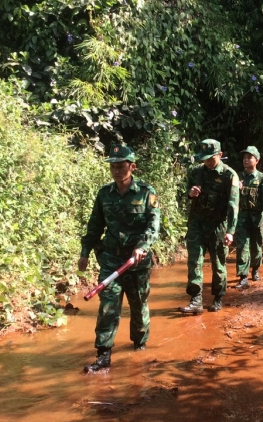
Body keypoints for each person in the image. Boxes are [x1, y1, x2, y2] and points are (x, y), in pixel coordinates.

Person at [79, 144, 161, 373]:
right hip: (112, 261)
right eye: (113, 167)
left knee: (138, 305)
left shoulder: (146, 192)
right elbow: (94, 226)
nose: (116, 171)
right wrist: (85, 252)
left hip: (137, 263)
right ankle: (103, 356)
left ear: (131, 167)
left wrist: (142, 246)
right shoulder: (104, 193)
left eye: (120, 166)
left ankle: (139, 346)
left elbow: (153, 224)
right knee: (107, 306)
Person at [179, 139, 239, 314]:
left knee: (218, 263)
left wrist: (230, 231)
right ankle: (195, 300)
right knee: (194, 261)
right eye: (204, 158)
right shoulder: (196, 172)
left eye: (210, 158)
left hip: (218, 226)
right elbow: (186, 192)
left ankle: (218, 297)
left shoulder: (229, 175)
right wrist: (190, 193)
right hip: (197, 223)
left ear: (220, 155)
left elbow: (233, 205)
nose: (206, 162)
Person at [234, 146, 263, 290]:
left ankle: (255, 269)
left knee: (256, 247)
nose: (246, 160)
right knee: (242, 247)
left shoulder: (262, 178)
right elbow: (230, 197)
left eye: (249, 157)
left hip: (257, 218)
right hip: (242, 218)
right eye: (244, 157)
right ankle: (243, 277)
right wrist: (235, 188)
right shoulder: (237, 177)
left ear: (256, 160)